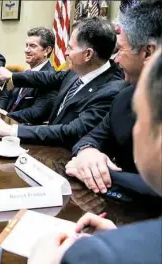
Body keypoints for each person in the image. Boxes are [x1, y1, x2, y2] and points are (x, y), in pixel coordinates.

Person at [0, 47, 162, 264]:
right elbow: (89, 137)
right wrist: (88, 150)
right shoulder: (110, 90)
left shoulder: (111, 259)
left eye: (141, 115)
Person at [65, 1, 162, 195]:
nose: (115, 59)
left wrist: (101, 173)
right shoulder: (125, 96)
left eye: (120, 50)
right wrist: (87, 152)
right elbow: (92, 137)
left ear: (147, 52)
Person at [0, 17, 125, 148]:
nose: (65, 53)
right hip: (47, 148)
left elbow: (73, 131)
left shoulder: (111, 91)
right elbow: (45, 77)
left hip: (68, 159)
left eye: (70, 48)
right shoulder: (75, 72)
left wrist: (13, 130)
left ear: (88, 54)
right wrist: (11, 76)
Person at [0, 27, 57, 121]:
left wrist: (7, 116)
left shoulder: (50, 78)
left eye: (32, 46)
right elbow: (5, 96)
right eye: (26, 45)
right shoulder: (23, 73)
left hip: (23, 129)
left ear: (47, 50)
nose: (26, 50)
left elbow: (37, 112)